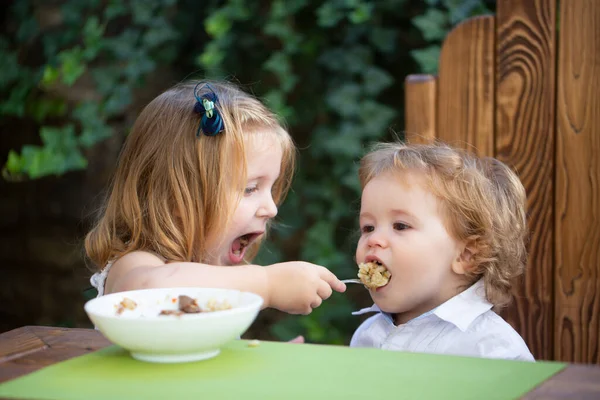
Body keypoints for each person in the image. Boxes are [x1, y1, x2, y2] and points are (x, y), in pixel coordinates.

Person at [85, 79, 345, 317]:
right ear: (176, 199)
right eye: (250, 188)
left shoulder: (219, 278)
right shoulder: (136, 265)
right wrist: (267, 284)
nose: (271, 209)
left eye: (272, 187)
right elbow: (148, 292)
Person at [350, 141, 534, 361]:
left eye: (400, 226)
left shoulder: (491, 350)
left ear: (466, 255)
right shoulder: (366, 337)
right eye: (368, 228)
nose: (374, 240)